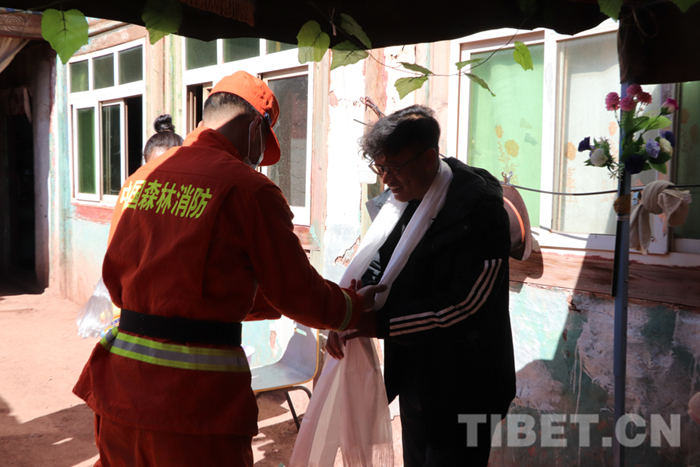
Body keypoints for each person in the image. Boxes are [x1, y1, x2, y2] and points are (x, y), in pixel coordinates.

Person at [73, 71, 384, 467]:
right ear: (255, 127)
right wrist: (354, 308)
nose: (256, 162)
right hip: (194, 407)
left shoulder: (140, 179)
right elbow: (295, 291)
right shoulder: (248, 189)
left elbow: (166, 281)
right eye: (261, 149)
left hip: (119, 389)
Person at [327, 105, 516, 466]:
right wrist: (348, 309)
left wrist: (376, 323)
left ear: (429, 159)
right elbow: (381, 267)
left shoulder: (480, 210)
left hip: (468, 386)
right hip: (416, 376)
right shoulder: (399, 203)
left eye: (393, 168)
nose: (386, 179)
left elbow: (465, 306)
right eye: (380, 168)